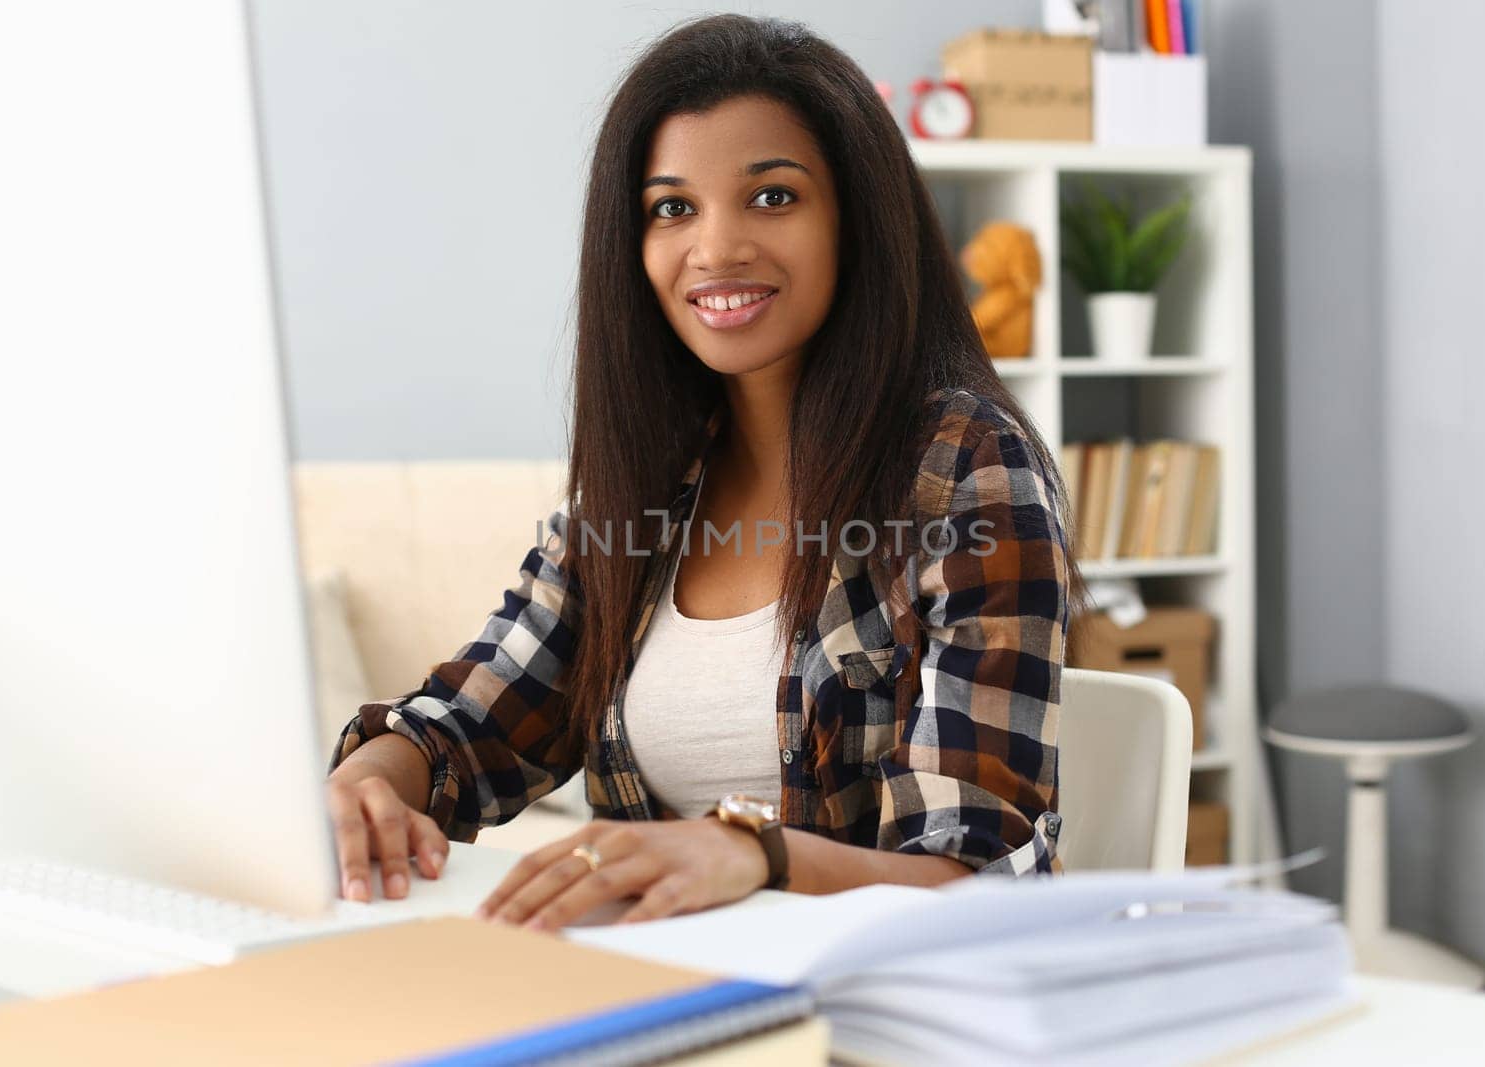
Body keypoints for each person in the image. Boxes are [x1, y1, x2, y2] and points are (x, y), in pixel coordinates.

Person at [324, 12, 1087, 933]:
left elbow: (980, 880)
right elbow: (475, 722)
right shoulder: (642, 484)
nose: (716, 248)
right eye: (672, 207)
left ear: (856, 217)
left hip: (874, 1008)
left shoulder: (965, 467)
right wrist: (375, 774)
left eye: (772, 197)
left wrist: (750, 852)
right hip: (661, 995)